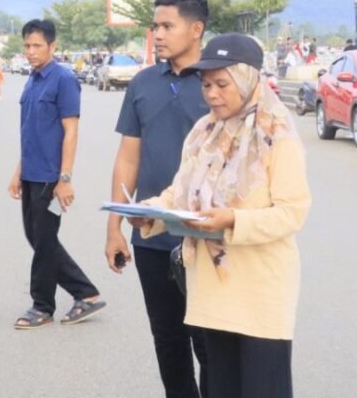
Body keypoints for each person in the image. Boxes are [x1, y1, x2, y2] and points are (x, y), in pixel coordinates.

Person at [133, 34, 311, 398]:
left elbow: (291, 213)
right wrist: (150, 211)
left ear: (248, 80)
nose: (211, 94)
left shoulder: (277, 134)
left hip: (261, 288)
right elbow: (181, 193)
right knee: (221, 387)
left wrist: (232, 221)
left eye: (221, 84)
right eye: (206, 84)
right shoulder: (204, 132)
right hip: (212, 289)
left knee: (263, 389)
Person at [106, 0, 211, 397]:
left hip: (203, 235)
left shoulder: (217, 83)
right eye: (156, 26)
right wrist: (115, 225)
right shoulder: (143, 83)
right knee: (168, 340)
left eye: (168, 26)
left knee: (208, 341)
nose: (159, 34)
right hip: (150, 235)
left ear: (196, 28)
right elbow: (128, 157)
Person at [9, 19, 104, 329]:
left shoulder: (63, 80)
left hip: (51, 176)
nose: (31, 51)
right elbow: (29, 132)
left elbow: (70, 131)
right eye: (27, 46)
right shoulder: (32, 81)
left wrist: (65, 178)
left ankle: (42, 305)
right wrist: (18, 172)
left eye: (37, 45)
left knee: (44, 241)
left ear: (52, 46)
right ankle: (85, 293)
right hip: (31, 173)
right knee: (37, 238)